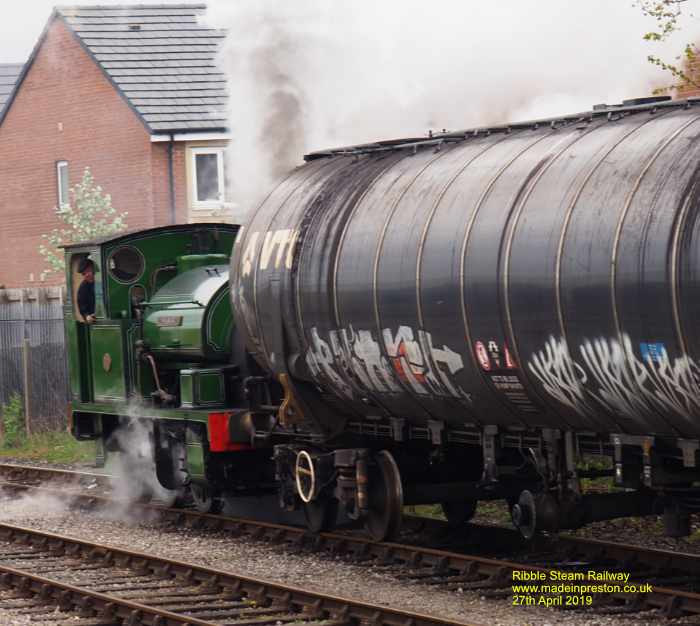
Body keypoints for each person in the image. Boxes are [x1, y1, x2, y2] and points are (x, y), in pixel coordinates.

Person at [77, 258, 96, 323]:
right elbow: (82, 305)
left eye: (88, 271)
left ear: (94, 269)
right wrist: (87, 316)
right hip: (94, 320)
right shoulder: (83, 287)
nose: (86, 275)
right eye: (84, 274)